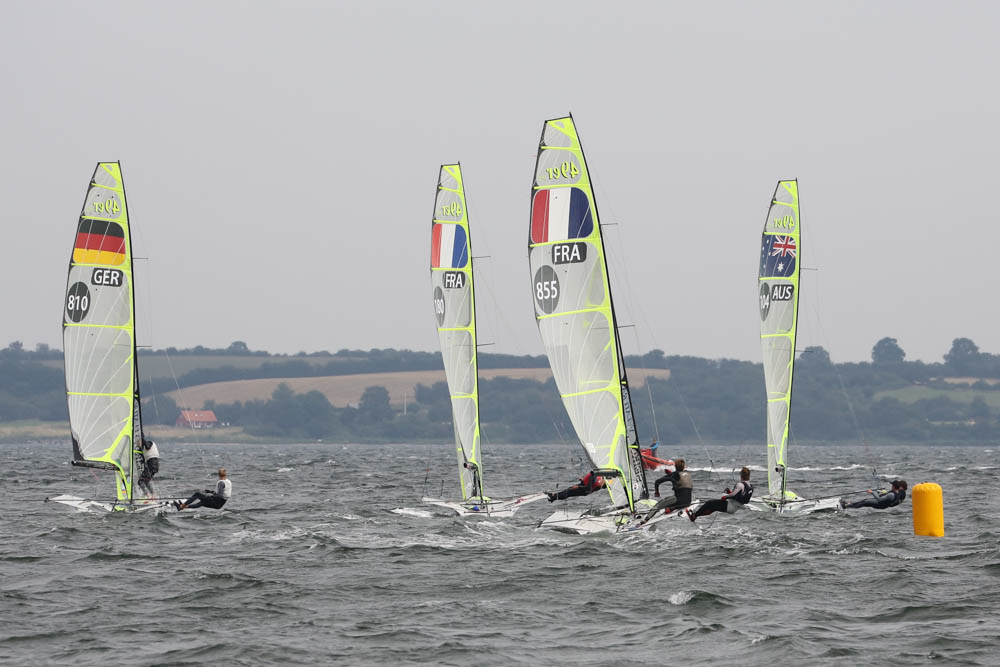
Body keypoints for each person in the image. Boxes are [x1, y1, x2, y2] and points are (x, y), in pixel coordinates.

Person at [634, 458, 693, 526]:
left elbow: (657, 482)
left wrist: (657, 492)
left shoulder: (674, 475)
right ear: (684, 466)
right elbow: (679, 478)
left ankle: (644, 521)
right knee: (672, 503)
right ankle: (670, 508)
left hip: (679, 500)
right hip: (688, 501)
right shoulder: (688, 473)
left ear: (675, 466)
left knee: (658, 505)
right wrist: (670, 474)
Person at [687, 466, 753, 522]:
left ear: (741, 475)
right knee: (712, 508)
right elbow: (739, 496)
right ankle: (695, 516)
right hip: (734, 507)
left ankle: (694, 515)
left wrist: (725, 497)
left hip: (730, 506)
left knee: (709, 503)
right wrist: (729, 492)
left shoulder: (740, 484)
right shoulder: (750, 486)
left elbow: (733, 495)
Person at [840, 479, 908, 509]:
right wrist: (882, 492)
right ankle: (848, 504)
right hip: (883, 505)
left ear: (894, 486)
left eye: (892, 485)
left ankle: (845, 506)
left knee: (864, 502)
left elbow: (879, 499)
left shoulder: (892, 495)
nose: (891, 486)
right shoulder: (898, 493)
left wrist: (872, 492)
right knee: (864, 501)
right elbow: (886, 496)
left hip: (879, 504)